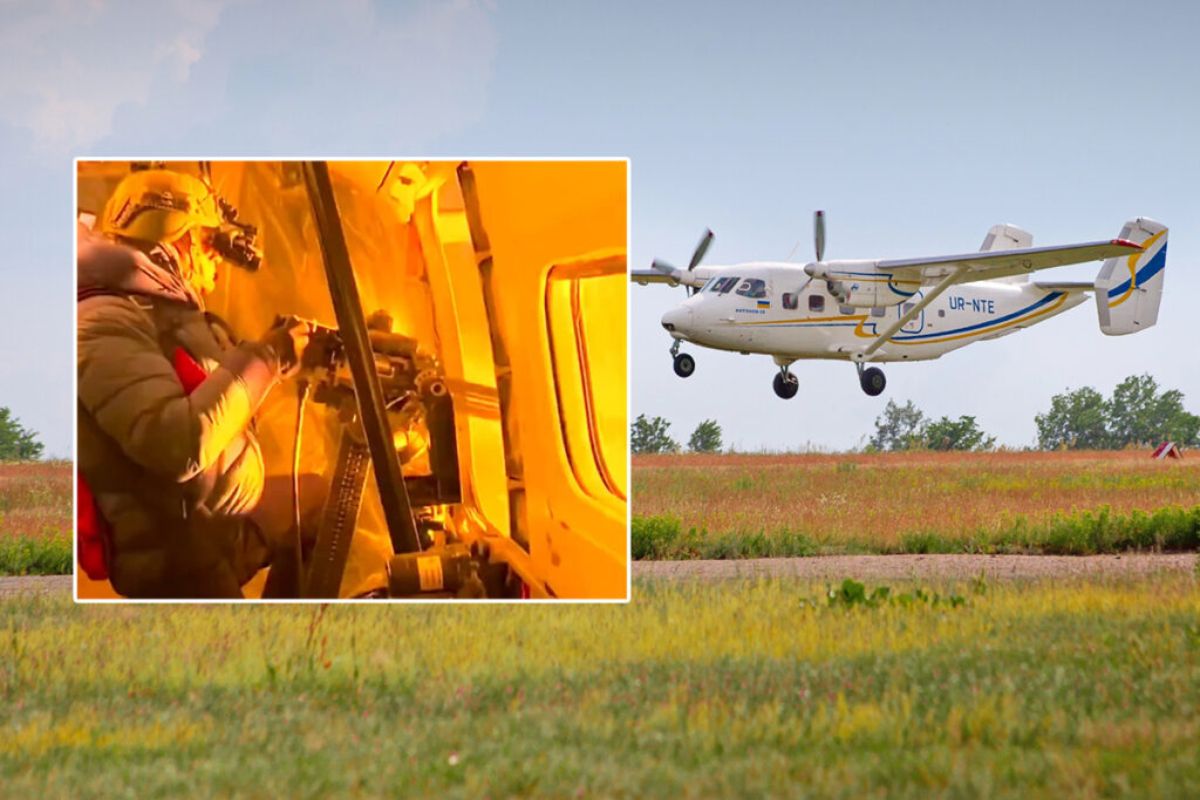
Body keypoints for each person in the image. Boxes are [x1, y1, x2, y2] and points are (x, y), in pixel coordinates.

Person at [77, 168, 311, 598]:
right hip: (176, 559)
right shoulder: (101, 321)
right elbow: (177, 443)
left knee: (315, 500)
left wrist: (280, 361)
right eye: (210, 243)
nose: (217, 261)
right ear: (179, 239)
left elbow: (207, 393)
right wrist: (267, 357)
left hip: (212, 526)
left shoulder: (153, 310)